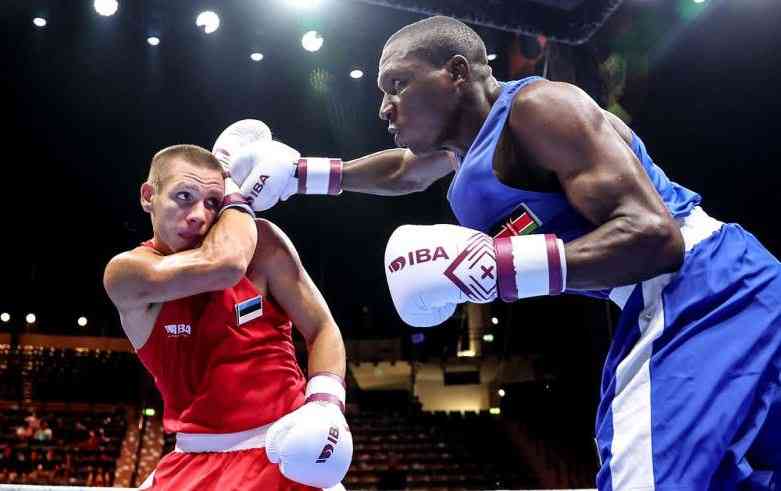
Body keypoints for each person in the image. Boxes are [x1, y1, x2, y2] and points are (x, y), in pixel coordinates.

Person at [225, 15, 781, 491]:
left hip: (701, 284)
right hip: (695, 293)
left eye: (396, 85)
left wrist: (498, 268)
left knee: (643, 474)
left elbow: (658, 239)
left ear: (456, 74)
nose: (385, 107)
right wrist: (301, 175)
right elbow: (398, 171)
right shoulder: (465, 150)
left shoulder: (539, 108)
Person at [103, 123, 352, 491]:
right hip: (194, 459)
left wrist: (326, 403)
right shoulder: (128, 273)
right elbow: (224, 264)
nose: (199, 216)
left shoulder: (262, 243)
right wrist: (235, 192)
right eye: (184, 196)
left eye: (212, 202)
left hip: (285, 449)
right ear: (148, 196)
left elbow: (322, 329)